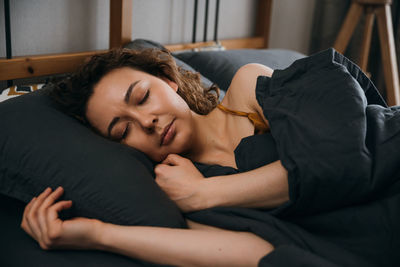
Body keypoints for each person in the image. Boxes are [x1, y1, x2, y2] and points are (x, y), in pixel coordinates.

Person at [21, 48, 289, 266]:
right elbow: (259, 256)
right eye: (124, 130)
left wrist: (205, 192)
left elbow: (325, 160)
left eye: (142, 97)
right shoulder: (177, 188)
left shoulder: (247, 90)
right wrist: (96, 234)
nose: (146, 121)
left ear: (167, 80)